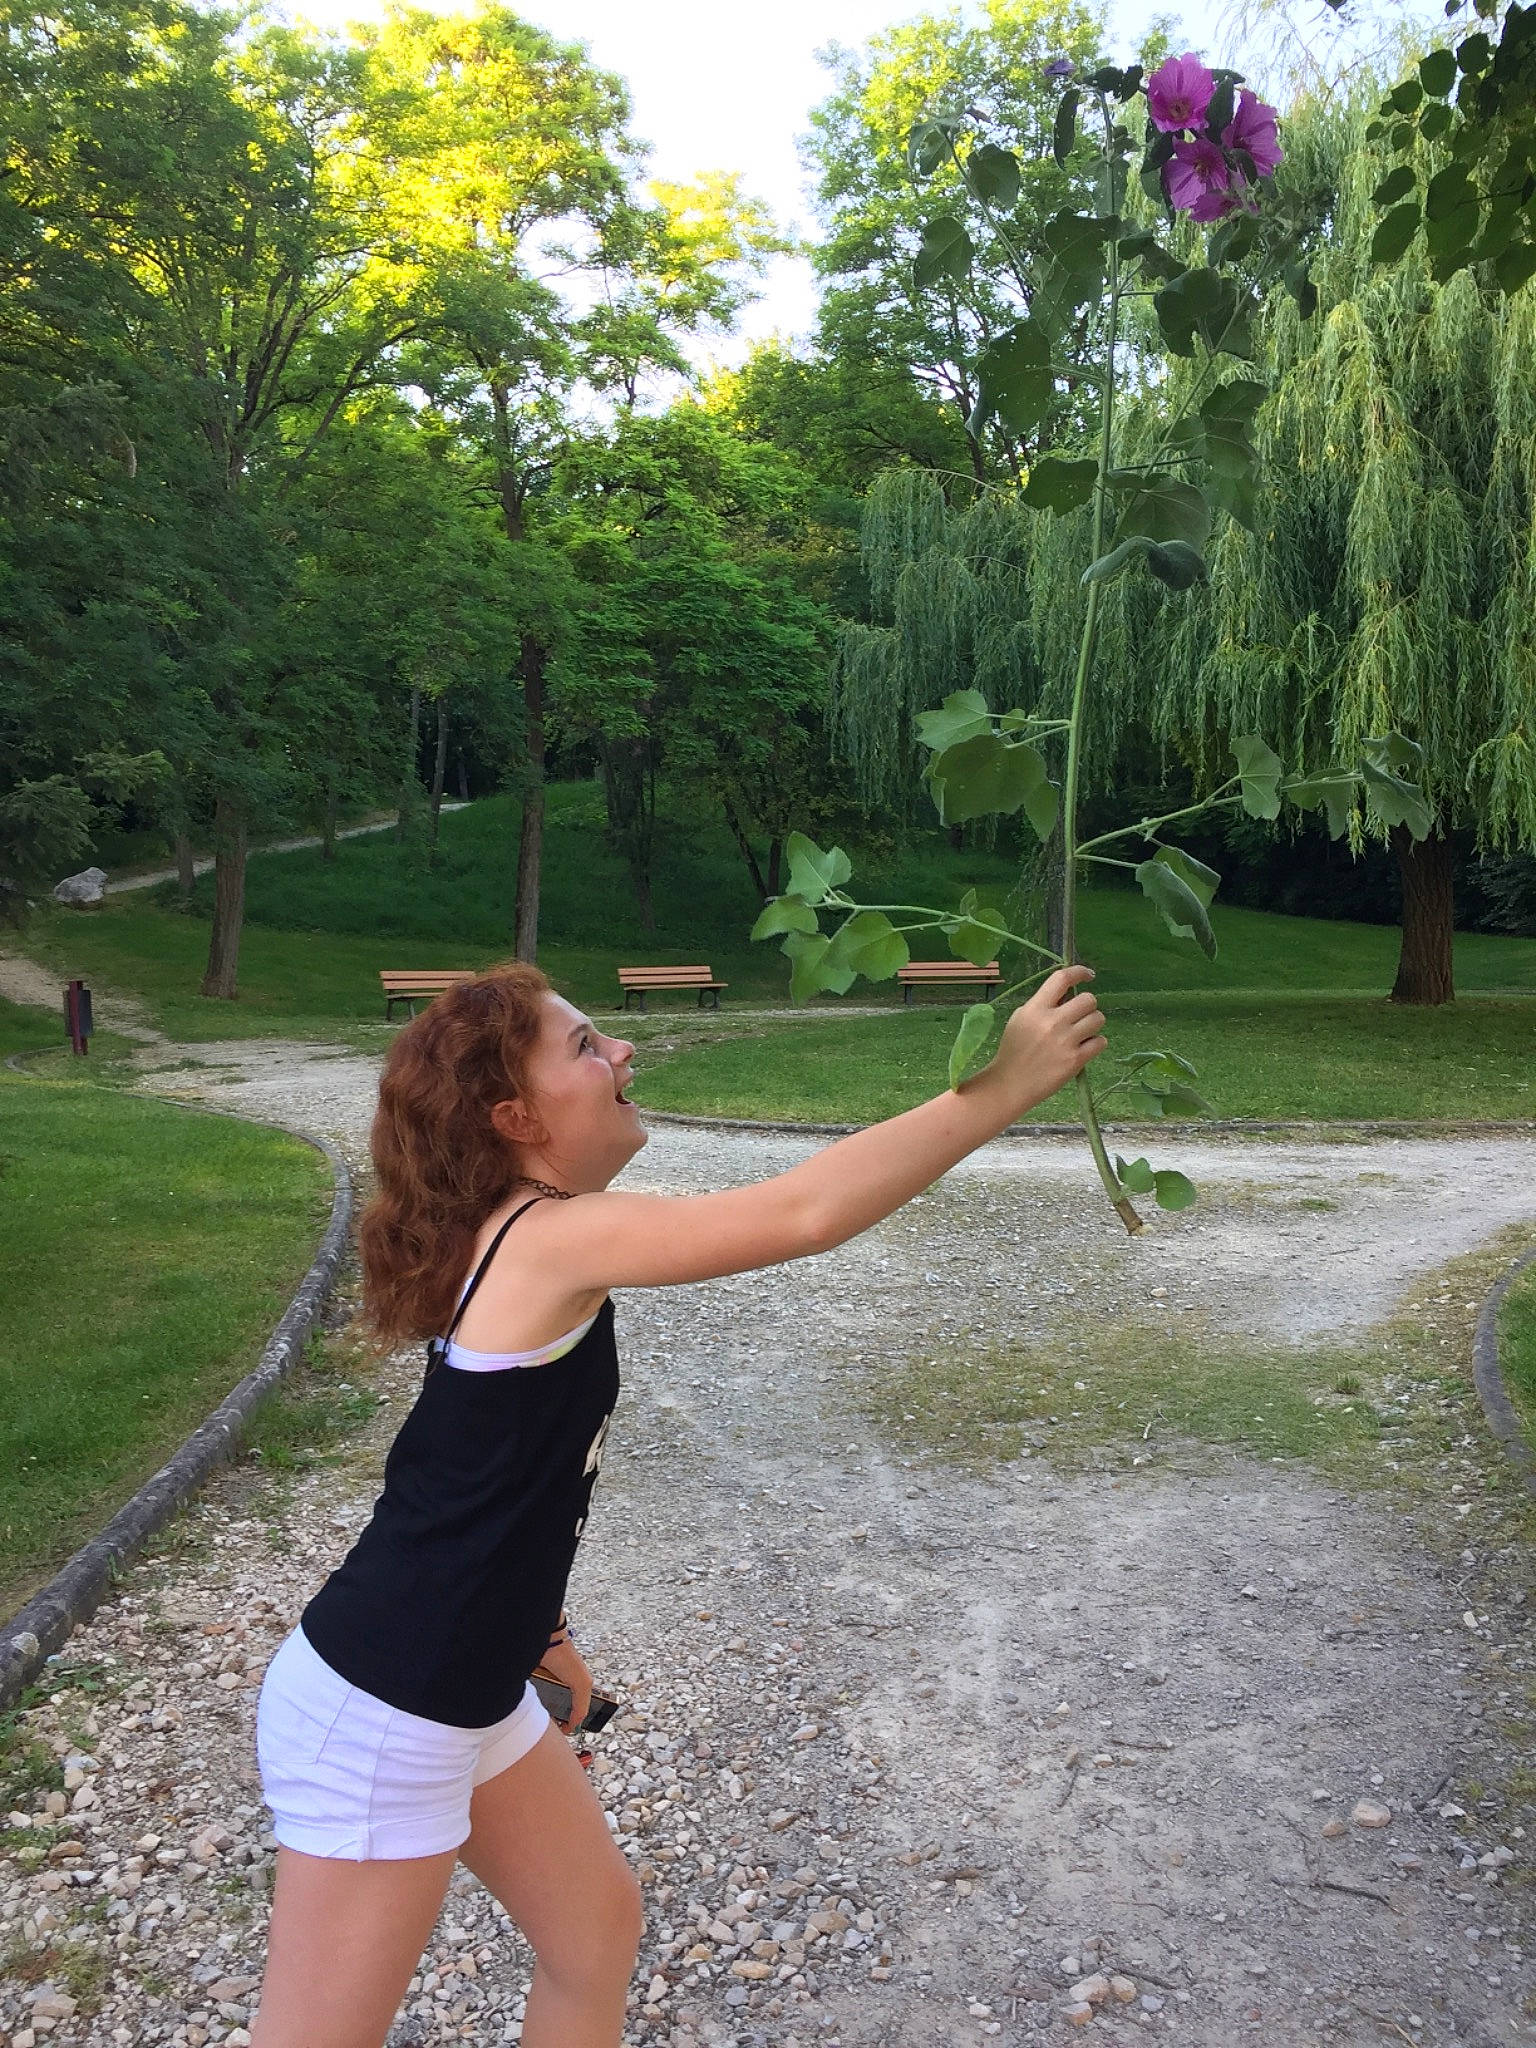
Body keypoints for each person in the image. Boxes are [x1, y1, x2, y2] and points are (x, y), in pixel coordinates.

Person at [250, 957, 1106, 2048]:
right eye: (586, 1046)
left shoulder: (515, 1234)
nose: (623, 1053)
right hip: (385, 1711)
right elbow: (804, 1211)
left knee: (596, 1932)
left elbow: (474, 1480)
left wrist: (537, 1628)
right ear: (516, 1116)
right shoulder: (550, 1237)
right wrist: (1005, 1084)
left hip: (471, 1680)